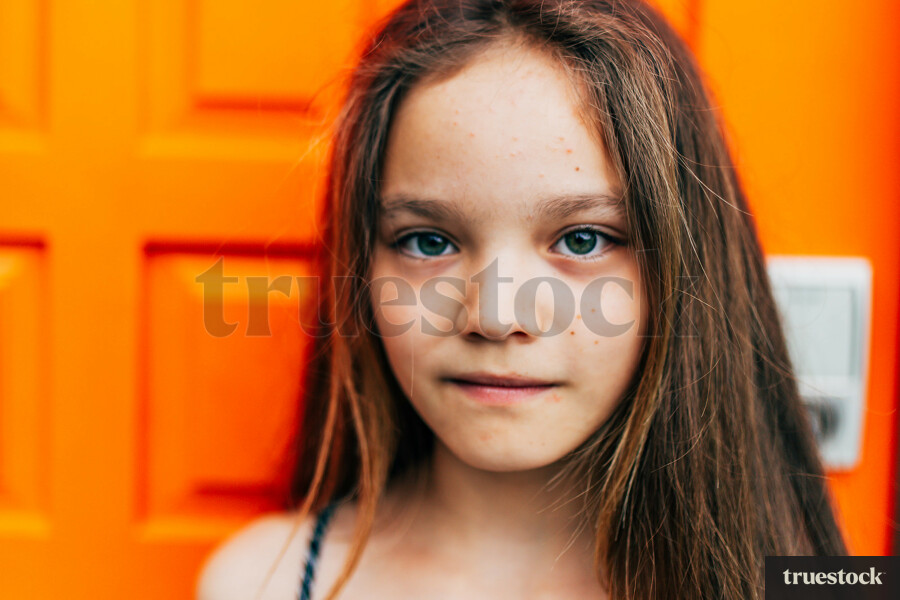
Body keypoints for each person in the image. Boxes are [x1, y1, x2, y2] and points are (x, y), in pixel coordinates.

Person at [196, 1, 847, 598]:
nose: (496, 316)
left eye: (583, 239)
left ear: (685, 267)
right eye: (427, 241)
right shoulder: (261, 582)